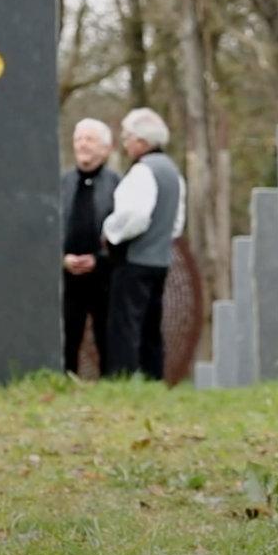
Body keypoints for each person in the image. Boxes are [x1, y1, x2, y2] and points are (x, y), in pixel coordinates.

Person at [103, 108, 186, 380]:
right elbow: (176, 223)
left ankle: (122, 378)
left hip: (135, 259)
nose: (125, 143)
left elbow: (135, 216)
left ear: (141, 141)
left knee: (125, 325)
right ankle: (153, 378)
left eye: (127, 137)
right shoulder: (174, 173)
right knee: (152, 327)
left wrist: (109, 232)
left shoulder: (142, 172)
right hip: (161, 260)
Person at [61, 118, 120, 376]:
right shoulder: (61, 184)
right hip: (66, 275)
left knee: (107, 336)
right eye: (78, 139)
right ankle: (64, 382)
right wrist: (62, 258)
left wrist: (100, 259)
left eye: (89, 139)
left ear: (106, 149)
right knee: (67, 334)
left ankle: (112, 388)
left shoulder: (117, 185)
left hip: (105, 276)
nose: (82, 145)